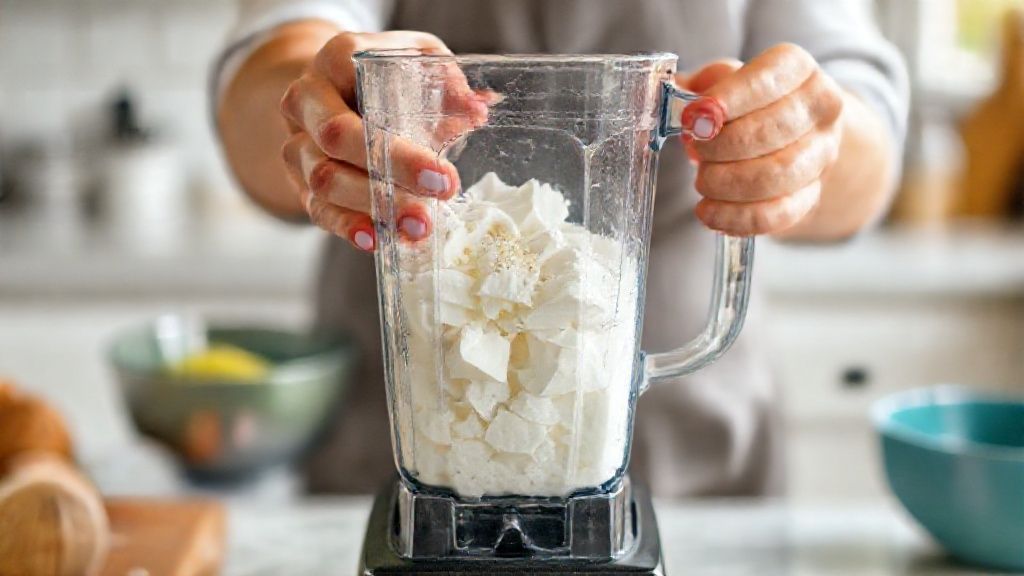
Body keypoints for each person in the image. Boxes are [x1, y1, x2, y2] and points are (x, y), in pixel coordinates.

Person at [214, 0, 908, 496]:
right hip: (406, 433)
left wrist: (797, 141)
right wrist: (324, 103)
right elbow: (270, 60)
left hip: (691, 448)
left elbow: (863, 130)